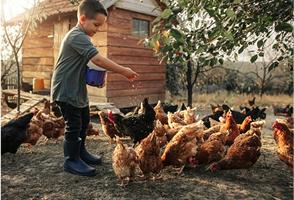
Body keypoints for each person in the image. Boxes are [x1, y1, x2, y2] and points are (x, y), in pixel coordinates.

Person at [50, 0, 139, 177]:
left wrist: (94, 77)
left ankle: (80, 153)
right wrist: (124, 71)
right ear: (83, 18)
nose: (97, 29)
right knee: (73, 125)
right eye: (96, 25)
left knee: (83, 122)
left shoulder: (81, 37)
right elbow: (98, 59)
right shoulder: (76, 36)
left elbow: (87, 63)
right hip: (66, 90)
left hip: (77, 89)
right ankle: (71, 160)